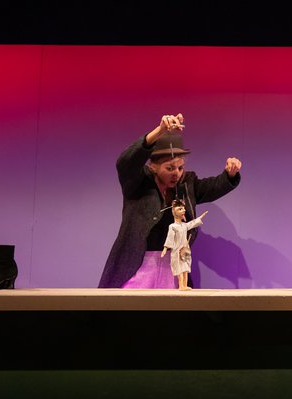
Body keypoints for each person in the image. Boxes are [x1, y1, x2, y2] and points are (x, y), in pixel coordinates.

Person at [98, 113, 242, 289]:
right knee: (130, 306)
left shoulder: (187, 184)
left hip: (172, 266)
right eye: (170, 168)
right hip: (137, 265)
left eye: (180, 167)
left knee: (172, 306)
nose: (177, 173)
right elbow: (125, 162)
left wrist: (230, 175)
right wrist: (159, 131)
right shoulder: (138, 182)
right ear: (153, 167)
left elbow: (213, 187)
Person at [161, 199, 208, 290]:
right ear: (174, 211)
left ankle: (185, 285)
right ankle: (181, 285)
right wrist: (165, 248)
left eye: (183, 208)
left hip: (185, 249)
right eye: (180, 209)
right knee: (179, 268)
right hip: (177, 250)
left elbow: (192, 223)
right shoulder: (173, 226)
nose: (184, 210)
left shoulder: (184, 225)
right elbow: (170, 238)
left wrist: (200, 217)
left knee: (185, 267)